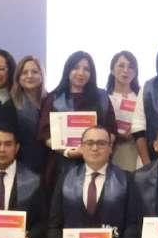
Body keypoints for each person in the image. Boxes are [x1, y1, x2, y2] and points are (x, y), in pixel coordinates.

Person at [37, 51, 117, 186]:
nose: (81, 73)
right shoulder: (54, 98)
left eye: (86, 69)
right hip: (61, 165)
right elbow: (45, 134)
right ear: (68, 70)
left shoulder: (102, 97)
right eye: (76, 67)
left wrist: (98, 149)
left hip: (97, 164)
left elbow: (112, 131)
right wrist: (68, 152)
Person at [11, 56, 48, 175]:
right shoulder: (9, 104)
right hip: (22, 166)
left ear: (42, 75)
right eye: (24, 72)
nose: (29, 76)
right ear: (18, 77)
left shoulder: (52, 101)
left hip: (49, 164)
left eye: (35, 72)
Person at [106, 50, 141, 172]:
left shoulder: (142, 97)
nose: (126, 70)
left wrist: (137, 129)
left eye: (131, 67)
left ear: (135, 72)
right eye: (121, 66)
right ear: (112, 70)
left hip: (136, 149)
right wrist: (116, 134)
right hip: (110, 150)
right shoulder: (104, 97)